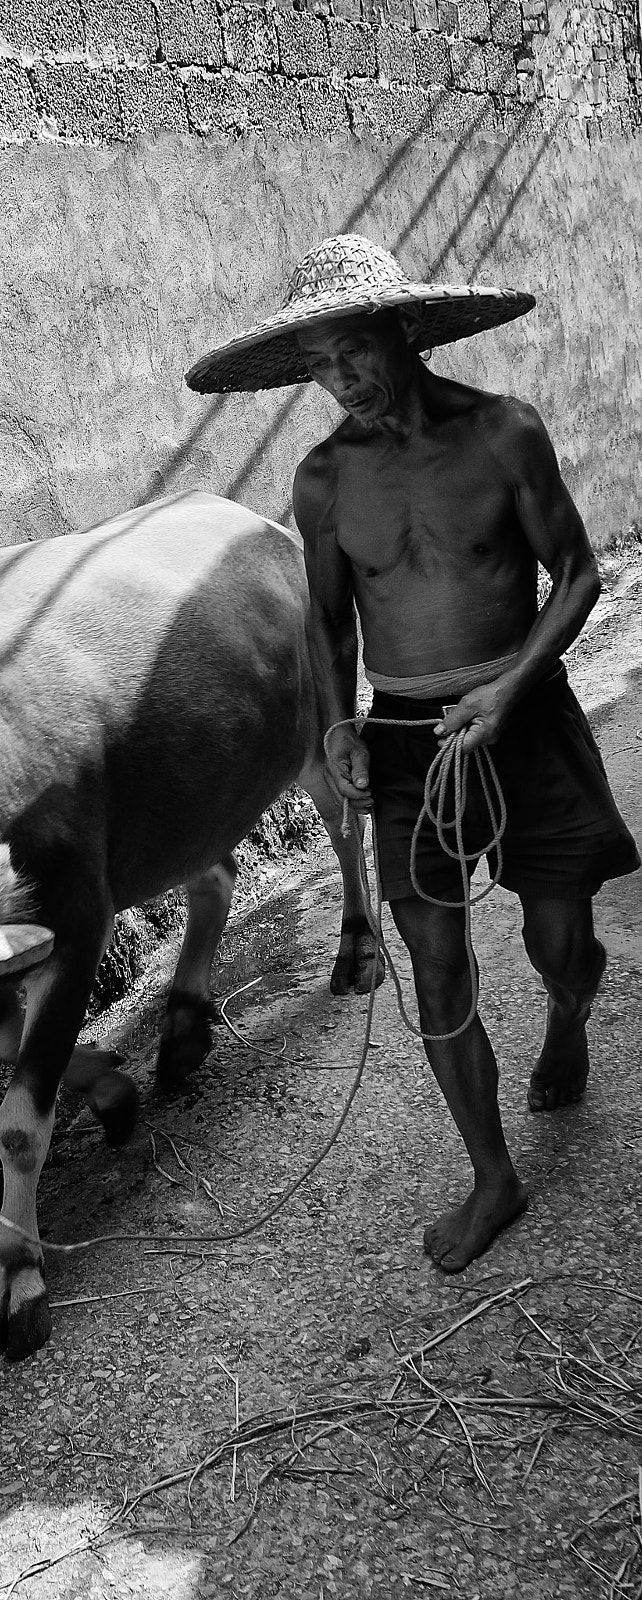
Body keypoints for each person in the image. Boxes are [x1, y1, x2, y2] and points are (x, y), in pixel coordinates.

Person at [185, 234, 639, 1273]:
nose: (336, 381)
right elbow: (333, 623)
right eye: (315, 366)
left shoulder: (502, 435)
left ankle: (569, 1014)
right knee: (435, 968)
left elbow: (574, 575)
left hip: (522, 716)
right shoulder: (323, 480)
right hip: (400, 740)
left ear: (404, 330)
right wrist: (337, 723)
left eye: (350, 351)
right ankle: (492, 1177)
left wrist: (505, 686)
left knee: (561, 941)